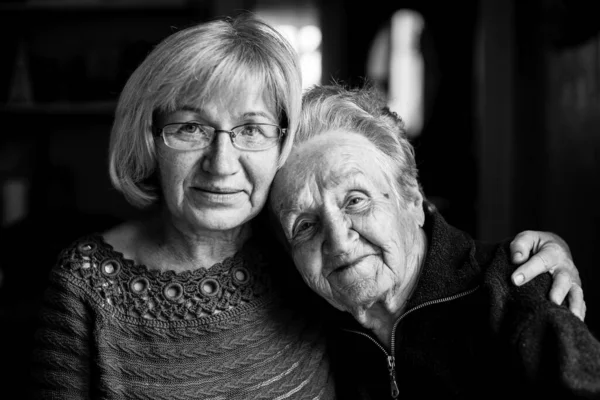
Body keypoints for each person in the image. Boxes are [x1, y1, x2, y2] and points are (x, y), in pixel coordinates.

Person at [31, 13, 585, 399]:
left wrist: (536, 272)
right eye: (190, 127)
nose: (221, 163)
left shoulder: (301, 262)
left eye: (251, 129)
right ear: (150, 139)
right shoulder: (87, 288)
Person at [269, 83, 600, 399]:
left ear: (412, 199)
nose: (339, 242)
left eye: (356, 200)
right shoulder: (300, 323)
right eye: (305, 226)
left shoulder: (514, 298)